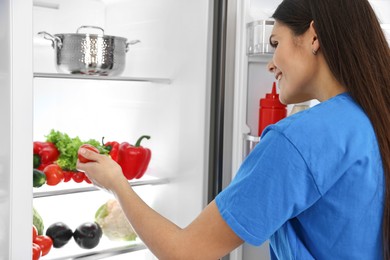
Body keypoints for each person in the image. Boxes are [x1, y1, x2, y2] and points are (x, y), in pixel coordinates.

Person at [76, 0, 390, 259]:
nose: (271, 64)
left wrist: (116, 183)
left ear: (313, 36)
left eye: (276, 43)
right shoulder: (372, 118)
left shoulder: (299, 138)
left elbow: (186, 253)